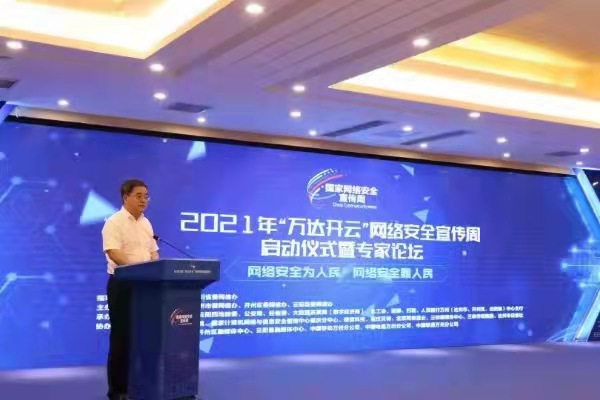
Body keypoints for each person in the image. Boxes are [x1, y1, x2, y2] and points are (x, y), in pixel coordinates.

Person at [102, 179, 159, 400]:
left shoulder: (146, 223)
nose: (144, 200)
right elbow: (113, 252)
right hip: (123, 285)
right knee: (122, 337)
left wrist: (154, 269)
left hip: (146, 287)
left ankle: (142, 383)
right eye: (139, 195)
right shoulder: (114, 222)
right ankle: (118, 390)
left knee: (144, 337)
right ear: (125, 197)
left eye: (146, 196)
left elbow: (153, 252)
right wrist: (139, 270)